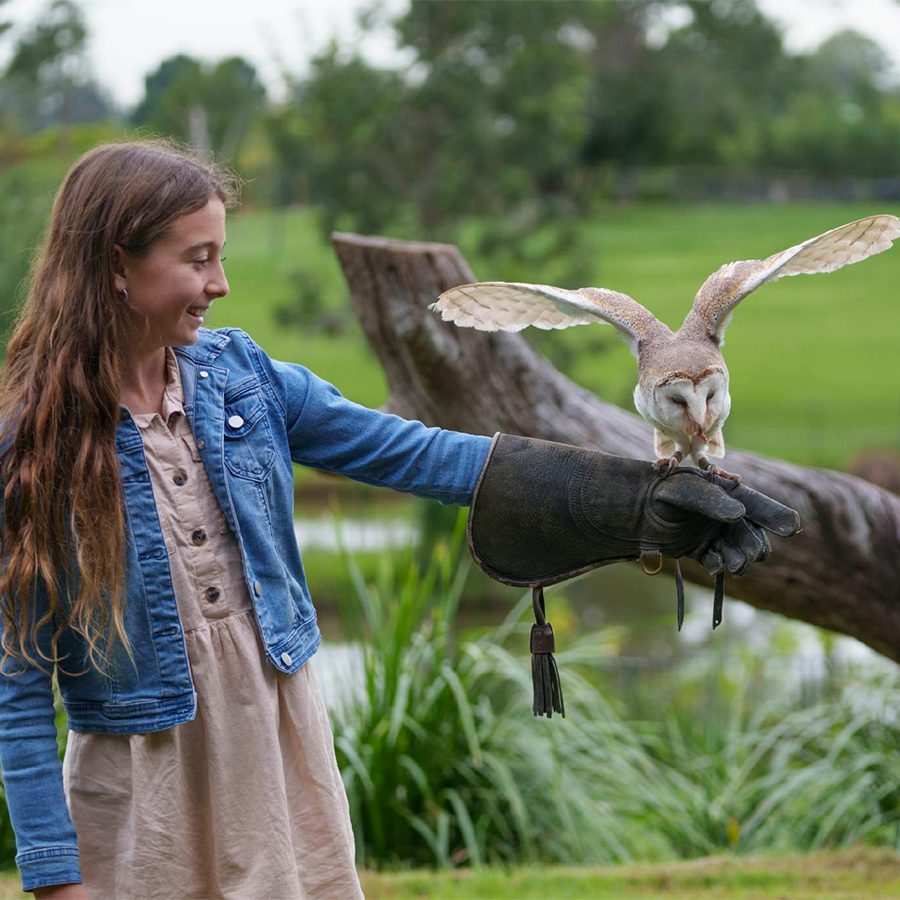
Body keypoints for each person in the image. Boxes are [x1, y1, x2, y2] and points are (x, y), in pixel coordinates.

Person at [0, 139, 799, 899]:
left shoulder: (245, 381)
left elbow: (414, 454)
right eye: (197, 259)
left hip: (278, 739)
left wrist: (631, 502)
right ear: (116, 267)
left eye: (221, 256)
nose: (221, 284)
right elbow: (20, 679)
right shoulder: (32, 445)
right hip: (144, 782)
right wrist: (50, 866)